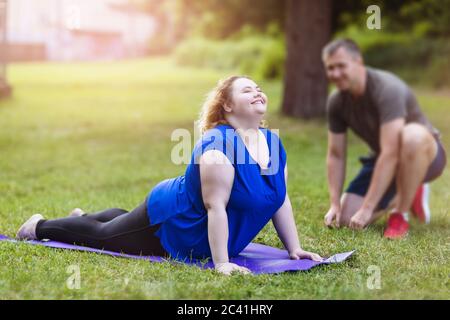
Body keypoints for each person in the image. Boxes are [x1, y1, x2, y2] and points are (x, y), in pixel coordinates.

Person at [16, 75, 323, 275]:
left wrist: (293, 249)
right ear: (227, 105)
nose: (257, 92)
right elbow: (215, 207)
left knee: (119, 222)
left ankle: (87, 214)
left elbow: (278, 199)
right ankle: (38, 226)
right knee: (104, 237)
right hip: (173, 222)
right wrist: (222, 264)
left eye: (259, 88)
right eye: (247, 90)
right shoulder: (217, 147)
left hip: (194, 227)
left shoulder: (272, 142)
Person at [321, 39, 446, 239]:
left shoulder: (387, 88)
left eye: (341, 66)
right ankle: (406, 190)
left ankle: (400, 214)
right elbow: (336, 154)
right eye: (330, 68)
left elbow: (391, 152)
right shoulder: (337, 101)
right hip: (383, 157)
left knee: (411, 137)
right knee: (345, 220)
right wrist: (335, 203)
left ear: (358, 61)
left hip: (425, 156)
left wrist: (368, 208)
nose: (335, 74)